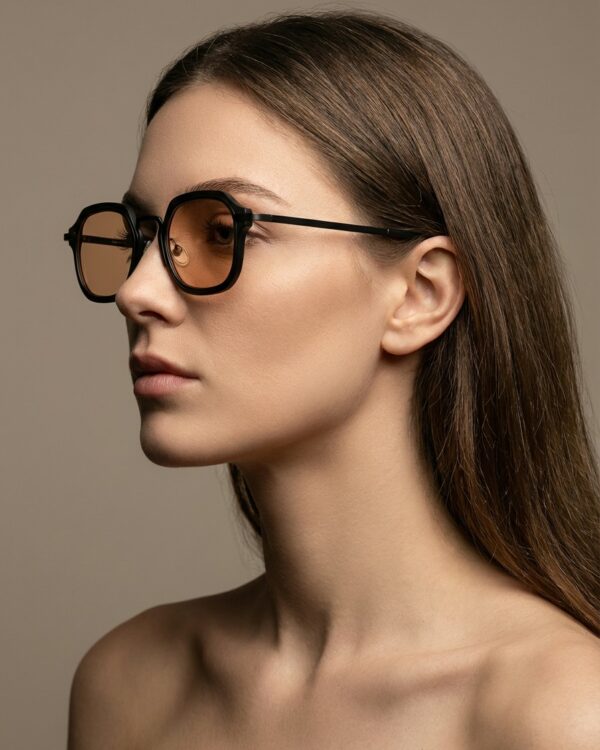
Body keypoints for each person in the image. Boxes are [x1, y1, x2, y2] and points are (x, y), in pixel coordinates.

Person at [64, 8, 600, 749]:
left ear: (420, 296)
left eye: (222, 232)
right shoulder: (128, 687)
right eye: (142, 238)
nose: (136, 291)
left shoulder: (562, 715)